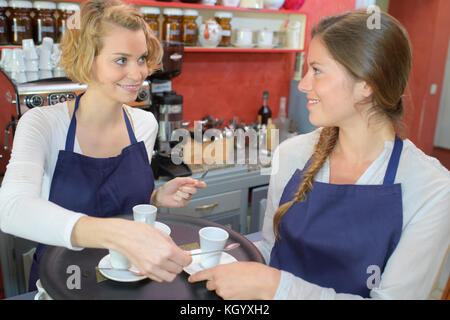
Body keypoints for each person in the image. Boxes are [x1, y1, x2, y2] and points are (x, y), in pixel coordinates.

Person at [189, 9, 450, 299]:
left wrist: (277, 288)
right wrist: (205, 263)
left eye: (317, 70)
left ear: (366, 84)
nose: (302, 84)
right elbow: (269, 251)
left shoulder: (432, 189)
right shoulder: (291, 154)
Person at [0, 0, 206, 292]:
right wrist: (115, 234)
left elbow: (112, 198)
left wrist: (155, 198)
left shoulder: (143, 125)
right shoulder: (43, 124)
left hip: (128, 278)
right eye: (121, 60)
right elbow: (11, 209)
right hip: (63, 281)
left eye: (142, 58)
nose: (137, 73)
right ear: (88, 59)